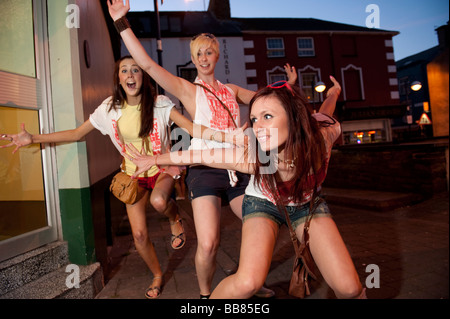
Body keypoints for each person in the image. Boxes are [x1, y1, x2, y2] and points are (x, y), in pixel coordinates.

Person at [0, 56, 236, 299]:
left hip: (161, 169)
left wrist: (227, 138)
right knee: (139, 235)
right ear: (119, 78)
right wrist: (33, 139)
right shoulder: (108, 109)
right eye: (125, 71)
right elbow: (76, 133)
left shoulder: (160, 104)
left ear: (143, 77)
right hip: (132, 175)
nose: (130, 74)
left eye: (136, 70)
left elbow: (190, 127)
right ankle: (157, 274)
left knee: (159, 202)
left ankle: (175, 218)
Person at [107, 0, 298, 299]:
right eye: (198, 54)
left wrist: (287, 87)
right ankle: (206, 295)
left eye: (209, 52)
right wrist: (121, 22)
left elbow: (265, 100)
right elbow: (147, 65)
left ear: (216, 54)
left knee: (260, 225)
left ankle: (251, 277)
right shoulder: (188, 90)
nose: (204, 57)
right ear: (193, 59)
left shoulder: (231, 90)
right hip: (205, 169)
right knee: (208, 243)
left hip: (238, 170)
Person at [124, 76, 367, 299]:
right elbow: (201, 155)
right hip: (264, 203)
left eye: (267, 116)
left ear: (293, 116)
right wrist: (153, 160)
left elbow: (325, 113)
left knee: (350, 288)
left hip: (307, 206)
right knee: (248, 282)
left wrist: (334, 93)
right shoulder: (256, 156)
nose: (257, 126)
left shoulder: (323, 136)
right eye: (253, 119)